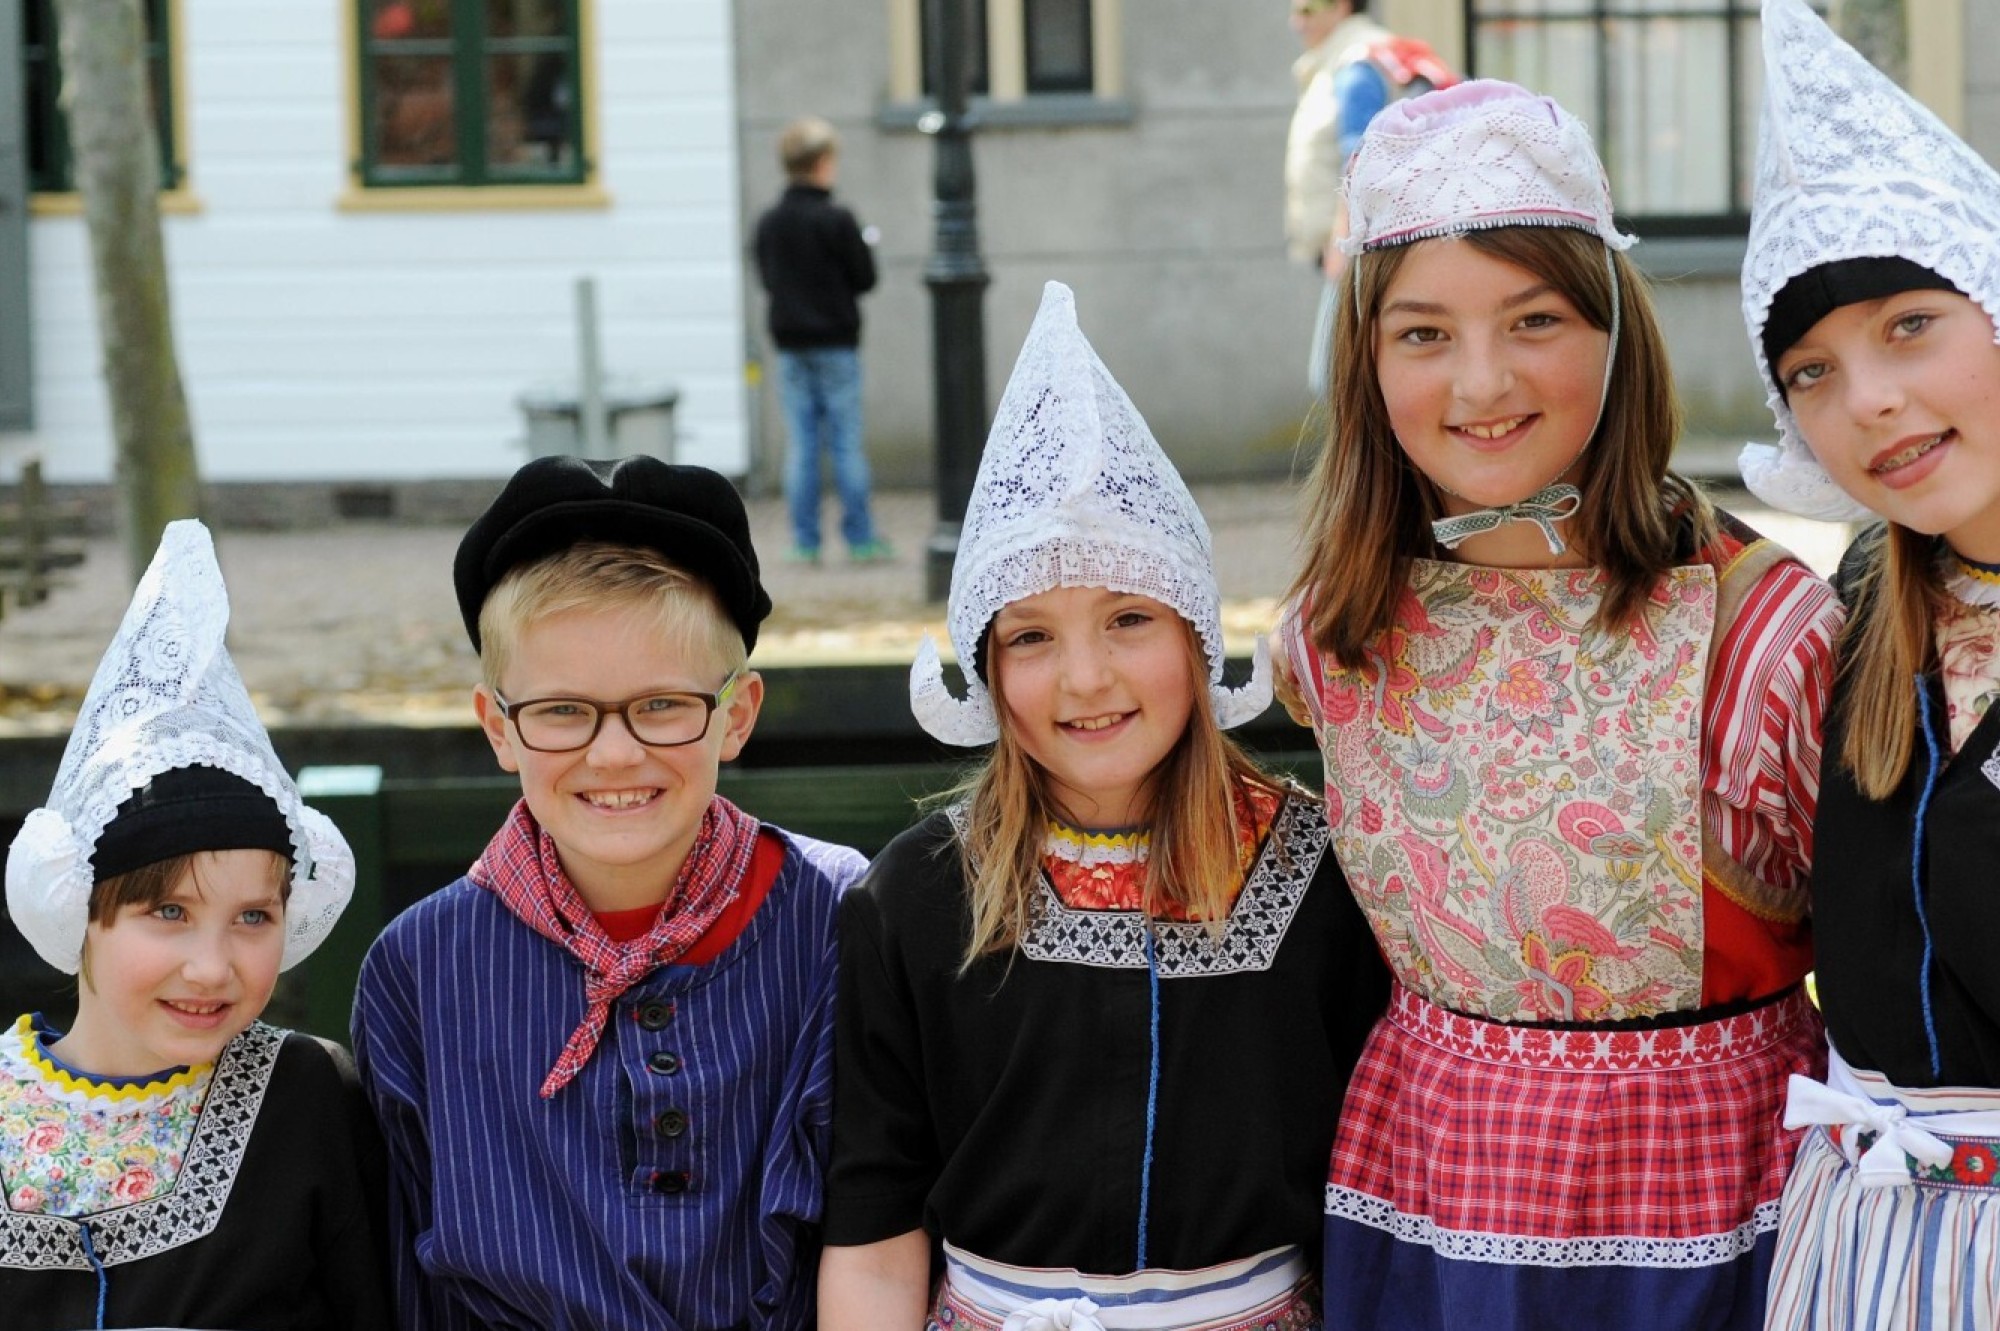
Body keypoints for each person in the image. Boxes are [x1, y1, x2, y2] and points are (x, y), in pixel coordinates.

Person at [1276, 81, 1843, 1329]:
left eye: (1532, 318)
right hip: (1425, 1192)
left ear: (1613, 332)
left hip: (1707, 1214)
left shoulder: (1761, 634)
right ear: (1364, 361)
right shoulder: (1332, 633)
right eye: (1421, 332)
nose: (1480, 380)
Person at [818, 281, 1390, 1329]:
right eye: (1030, 635)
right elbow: (872, 1218)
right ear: (985, 668)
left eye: (1128, 616)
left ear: (1196, 636)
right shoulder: (917, 893)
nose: (1085, 678)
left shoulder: (1321, 871)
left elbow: (1369, 1194)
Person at [350, 455, 868, 1329]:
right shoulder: (419, 969)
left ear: (736, 715)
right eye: (561, 711)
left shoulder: (839, 919)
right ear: (497, 726)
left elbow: (884, 1221)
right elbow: (405, 1274)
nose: (616, 753)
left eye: (663, 705)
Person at [1735, 2, 2000, 1325]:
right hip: (1869, 1251)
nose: (1869, 402)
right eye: (1811, 371)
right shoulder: (1860, 611)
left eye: (1909, 325)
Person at [1, 520, 388, 1329]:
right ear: (76, 908)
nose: (212, 965)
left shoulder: (309, 1097)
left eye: (254, 915)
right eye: (167, 911)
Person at [1285, 0, 1453, 397]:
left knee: (1335, 377)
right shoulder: (1361, 57)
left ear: (1341, 6)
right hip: (1378, 242)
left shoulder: (1357, 66)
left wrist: (1343, 240)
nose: (1296, 22)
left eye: (1306, 10)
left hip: (1364, 246)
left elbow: (1359, 161)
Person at [754, 115, 891, 566]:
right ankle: (861, 537)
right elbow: (865, 278)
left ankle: (805, 541)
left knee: (803, 444)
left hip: (791, 347)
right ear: (823, 163)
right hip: (836, 343)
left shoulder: (770, 223)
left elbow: (767, 277)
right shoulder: (838, 219)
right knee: (846, 442)